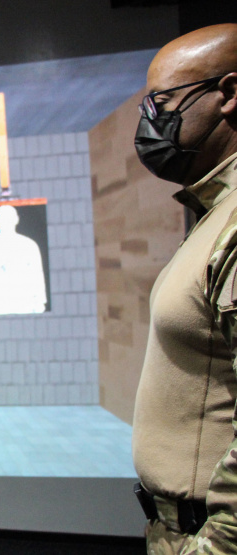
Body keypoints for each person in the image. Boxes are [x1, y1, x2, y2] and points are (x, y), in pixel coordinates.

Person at [130, 23, 237, 553]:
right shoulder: (215, 213)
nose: (152, 122)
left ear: (229, 95)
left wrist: (217, 545)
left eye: (164, 102)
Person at [0, 205, 46, 315]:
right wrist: (0, 269)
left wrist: (40, 301)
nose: (6, 222)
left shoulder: (29, 244)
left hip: (25, 303)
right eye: (2, 218)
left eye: (9, 218)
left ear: (16, 219)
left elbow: (37, 275)